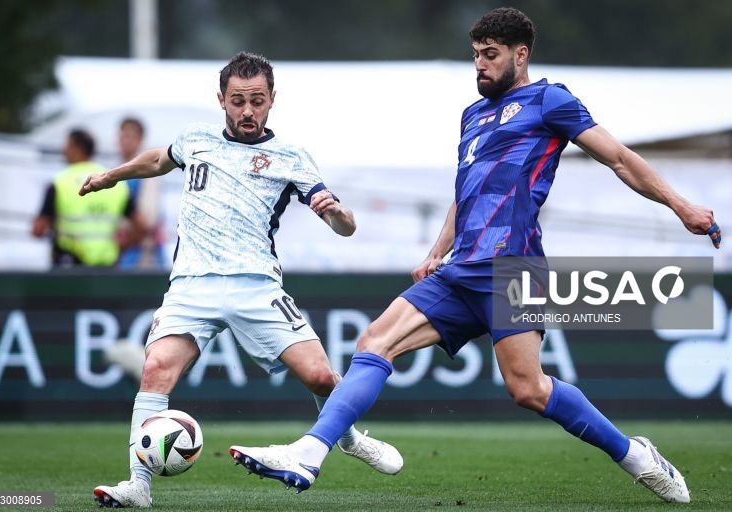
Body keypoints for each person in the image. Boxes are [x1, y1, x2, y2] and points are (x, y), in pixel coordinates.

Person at [228, 8, 722, 503]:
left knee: (528, 389)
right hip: (459, 268)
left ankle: (635, 455)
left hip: (514, 269)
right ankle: (309, 454)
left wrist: (680, 206)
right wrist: (436, 250)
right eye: (476, 56)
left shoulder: (550, 100)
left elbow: (619, 158)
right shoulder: (474, 114)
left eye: (490, 55)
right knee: (374, 342)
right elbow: (466, 191)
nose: (480, 65)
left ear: (520, 54)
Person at [80, 52, 403, 508]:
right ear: (222, 101)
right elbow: (157, 159)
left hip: (256, 286)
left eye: (256, 101)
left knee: (322, 378)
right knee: (154, 370)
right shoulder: (196, 140)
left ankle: (346, 438)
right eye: (237, 101)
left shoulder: (290, 157)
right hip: (191, 285)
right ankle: (138, 485)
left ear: (272, 100)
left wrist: (338, 214)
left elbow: (344, 225)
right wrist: (111, 176)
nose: (247, 111)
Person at [32, 128, 145, 267]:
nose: (64, 151)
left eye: (67, 146)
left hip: (68, 267)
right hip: (107, 268)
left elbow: (38, 230)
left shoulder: (60, 182)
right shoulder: (114, 182)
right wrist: (123, 246)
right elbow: (142, 227)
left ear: (78, 149)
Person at [116, 117, 167, 269]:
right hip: (126, 254)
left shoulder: (146, 172)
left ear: (140, 140)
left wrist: (124, 244)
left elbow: (147, 221)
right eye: (122, 136)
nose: (125, 141)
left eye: (130, 136)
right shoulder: (118, 170)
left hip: (143, 255)